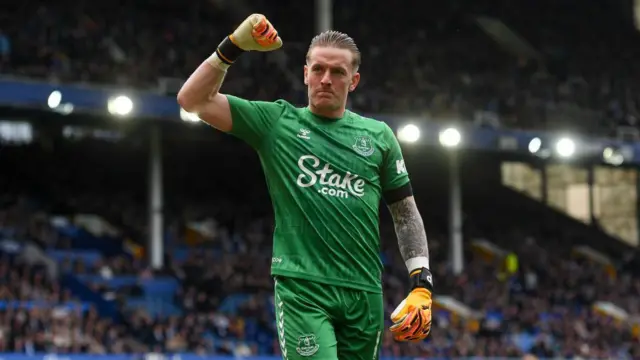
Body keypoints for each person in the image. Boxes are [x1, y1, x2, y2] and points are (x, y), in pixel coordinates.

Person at [177, 14, 433, 359]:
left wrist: (421, 282)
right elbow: (193, 100)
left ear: (353, 81)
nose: (326, 79)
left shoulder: (379, 137)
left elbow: (404, 213)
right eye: (318, 70)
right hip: (304, 288)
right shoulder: (276, 123)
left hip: (364, 291)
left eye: (338, 72)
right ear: (305, 74)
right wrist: (233, 46)